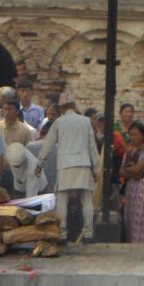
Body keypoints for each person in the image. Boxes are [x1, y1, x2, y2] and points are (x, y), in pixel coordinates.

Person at [36, 94, 99, 243]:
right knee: (86, 199)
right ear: (73, 105)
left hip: (65, 165)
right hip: (83, 164)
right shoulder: (85, 122)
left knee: (62, 199)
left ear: (62, 108)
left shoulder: (59, 122)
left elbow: (47, 145)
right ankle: (88, 234)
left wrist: (39, 164)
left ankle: (62, 234)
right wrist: (96, 168)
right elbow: (92, 147)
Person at [121, 121, 144, 245]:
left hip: (142, 188)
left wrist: (130, 171)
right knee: (130, 218)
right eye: (131, 135)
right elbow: (121, 171)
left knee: (140, 218)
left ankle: (140, 245)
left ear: (143, 136)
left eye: (136, 135)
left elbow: (136, 169)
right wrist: (133, 173)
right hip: (131, 188)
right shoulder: (129, 151)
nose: (133, 138)